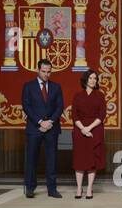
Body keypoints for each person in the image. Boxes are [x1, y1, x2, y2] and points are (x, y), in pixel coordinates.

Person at [21, 57, 64, 198]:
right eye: (44, 71)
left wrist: (50, 122)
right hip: (34, 128)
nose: (46, 74)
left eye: (49, 72)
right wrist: (40, 122)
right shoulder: (28, 86)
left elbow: (60, 107)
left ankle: (52, 189)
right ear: (37, 70)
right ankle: (30, 188)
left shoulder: (57, 87)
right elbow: (26, 106)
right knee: (32, 159)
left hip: (52, 128)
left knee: (51, 160)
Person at [71, 69, 105, 199]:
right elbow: (74, 115)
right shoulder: (77, 96)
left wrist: (89, 128)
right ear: (85, 79)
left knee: (92, 161)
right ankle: (79, 188)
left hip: (95, 130)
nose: (93, 80)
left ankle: (90, 188)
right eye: (90, 78)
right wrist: (83, 129)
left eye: (95, 78)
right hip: (80, 130)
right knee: (79, 160)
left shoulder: (100, 95)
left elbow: (102, 115)